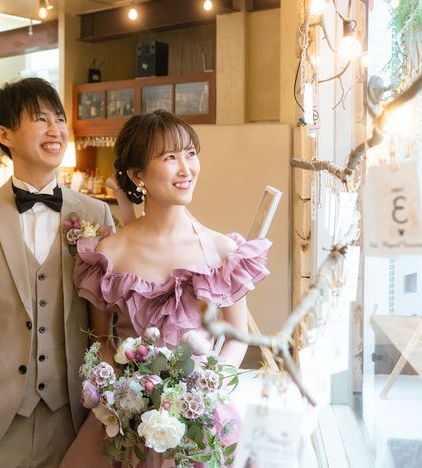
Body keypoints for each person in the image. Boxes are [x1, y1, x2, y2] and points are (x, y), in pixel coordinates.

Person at [61, 110, 271, 467]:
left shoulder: (222, 251)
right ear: (137, 175)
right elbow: (101, 339)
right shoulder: (109, 254)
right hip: (127, 424)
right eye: (170, 157)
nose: (186, 169)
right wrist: (126, 397)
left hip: (202, 418)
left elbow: (237, 336)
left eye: (190, 154)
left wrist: (206, 390)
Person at [0, 77, 115, 467]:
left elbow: (106, 313)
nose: (55, 130)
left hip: (71, 418)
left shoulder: (95, 215)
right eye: (40, 119)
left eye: (59, 119)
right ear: (4, 134)